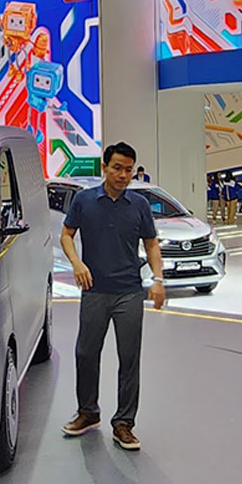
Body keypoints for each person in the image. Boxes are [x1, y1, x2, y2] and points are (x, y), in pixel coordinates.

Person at [59, 142, 164, 451]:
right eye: (117, 168)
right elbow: (66, 235)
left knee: (129, 358)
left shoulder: (139, 205)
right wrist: (77, 263)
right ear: (104, 167)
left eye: (128, 170)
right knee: (86, 354)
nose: (123, 175)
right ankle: (88, 412)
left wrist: (158, 279)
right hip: (94, 291)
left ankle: (124, 423)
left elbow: (151, 244)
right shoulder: (84, 200)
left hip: (129, 292)